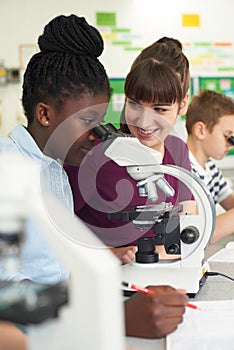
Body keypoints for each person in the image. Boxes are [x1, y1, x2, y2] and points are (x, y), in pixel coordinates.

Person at [0, 14, 188, 340]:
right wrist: (114, 318)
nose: (98, 135)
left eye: (102, 120)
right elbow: (7, 293)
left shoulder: (54, 170)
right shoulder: (8, 171)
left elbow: (49, 272)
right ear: (44, 114)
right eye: (88, 120)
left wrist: (103, 268)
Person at [65, 38, 195, 262]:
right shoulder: (92, 150)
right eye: (135, 104)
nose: (144, 122)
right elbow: (56, 230)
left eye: (160, 109)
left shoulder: (178, 150)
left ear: (182, 104)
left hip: (161, 278)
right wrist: (112, 254)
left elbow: (188, 228)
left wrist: (152, 255)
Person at [186, 89, 234, 243]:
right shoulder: (184, 170)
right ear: (201, 130)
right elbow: (201, 232)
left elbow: (230, 203)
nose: (231, 145)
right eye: (228, 137)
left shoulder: (210, 168)